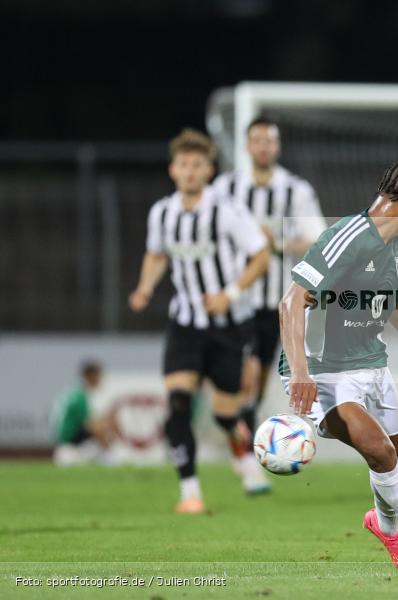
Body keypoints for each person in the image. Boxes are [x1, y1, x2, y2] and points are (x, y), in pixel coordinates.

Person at [279, 159, 398, 575]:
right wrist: (299, 373)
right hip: (323, 374)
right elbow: (291, 302)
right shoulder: (346, 237)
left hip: (372, 365)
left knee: (397, 460)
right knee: (379, 451)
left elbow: (393, 303)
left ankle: (385, 527)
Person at [129, 128, 272, 512]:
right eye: (183, 164)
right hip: (185, 325)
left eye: (197, 165)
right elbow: (157, 253)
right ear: (172, 170)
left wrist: (230, 293)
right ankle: (190, 491)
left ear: (209, 170)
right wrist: (144, 287)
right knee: (177, 404)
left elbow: (261, 255)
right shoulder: (162, 212)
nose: (190, 171)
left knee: (225, 416)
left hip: (229, 325)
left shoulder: (226, 211)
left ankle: (242, 453)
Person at [213, 117, 326, 467]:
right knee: (241, 374)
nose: (263, 147)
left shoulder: (296, 189)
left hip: (277, 300)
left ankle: (243, 436)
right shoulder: (225, 187)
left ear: (276, 147)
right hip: (235, 297)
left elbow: (317, 239)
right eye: (257, 140)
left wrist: (275, 241)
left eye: (269, 141)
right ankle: (241, 438)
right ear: (247, 146)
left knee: (257, 378)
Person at [51, 361, 117, 465]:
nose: (100, 380)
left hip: (68, 446)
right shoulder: (79, 397)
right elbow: (92, 427)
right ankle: (109, 460)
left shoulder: (75, 393)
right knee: (101, 438)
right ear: (90, 376)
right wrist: (108, 448)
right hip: (71, 450)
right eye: (98, 376)